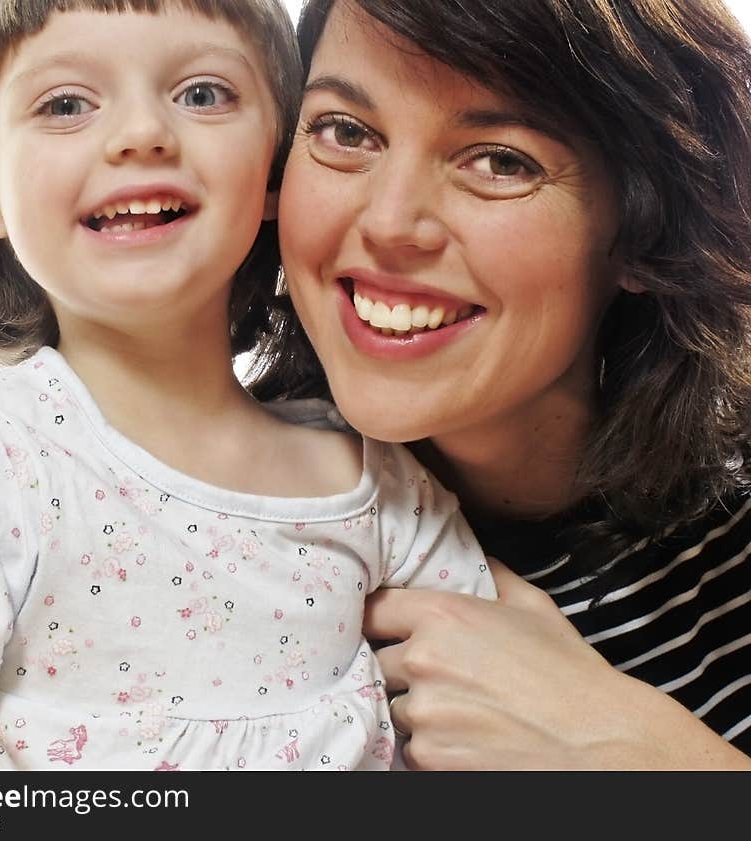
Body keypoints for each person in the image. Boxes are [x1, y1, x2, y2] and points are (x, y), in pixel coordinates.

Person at [0, 0, 495, 771]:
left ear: (275, 171)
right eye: (66, 104)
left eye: (202, 94)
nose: (143, 134)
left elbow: (508, 722)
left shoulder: (377, 483)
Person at [252, 0, 751, 768]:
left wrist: (642, 759)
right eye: (345, 132)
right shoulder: (177, 530)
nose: (390, 222)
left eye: (499, 160)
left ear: (647, 229)